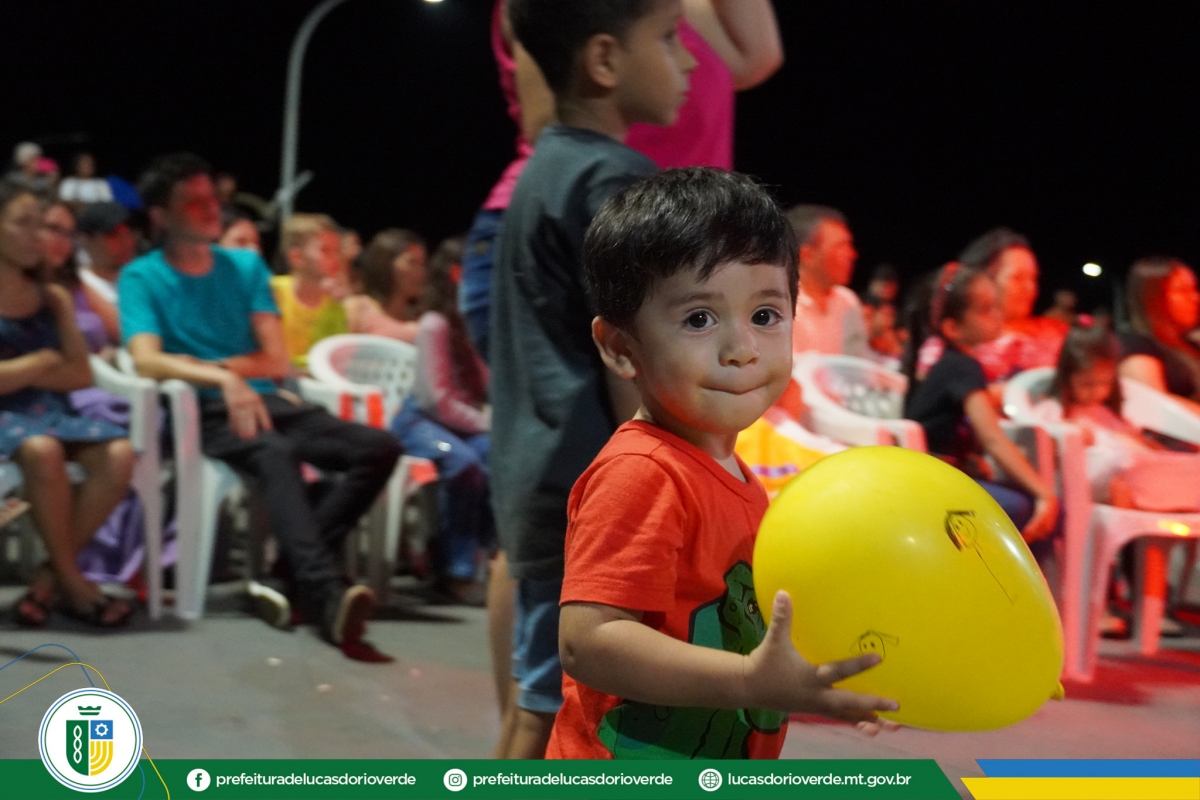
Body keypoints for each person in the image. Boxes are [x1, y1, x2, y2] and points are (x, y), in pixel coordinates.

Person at [547, 168, 899, 759]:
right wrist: (750, 682)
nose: (741, 350)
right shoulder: (644, 472)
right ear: (620, 347)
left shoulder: (738, 479)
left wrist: (818, 677)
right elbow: (589, 640)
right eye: (699, 319)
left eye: (765, 316)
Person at [491, 0, 697, 759]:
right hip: (588, 489)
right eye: (669, 39)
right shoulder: (614, 177)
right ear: (604, 60)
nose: (690, 60)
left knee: (537, 703)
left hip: (540, 472)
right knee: (549, 713)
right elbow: (633, 357)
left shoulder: (546, 166)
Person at [117, 153, 402, 655]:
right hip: (201, 411)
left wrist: (219, 368)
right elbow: (145, 359)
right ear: (161, 215)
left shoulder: (245, 266)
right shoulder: (142, 276)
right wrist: (222, 378)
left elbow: (274, 359)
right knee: (273, 453)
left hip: (268, 398)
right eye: (194, 202)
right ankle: (325, 594)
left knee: (378, 447)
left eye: (212, 198)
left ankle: (290, 570)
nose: (211, 208)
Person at [0, 180, 137, 628]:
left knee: (119, 454)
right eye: (22, 223)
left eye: (40, 226)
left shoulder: (52, 297)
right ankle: (76, 586)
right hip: (9, 420)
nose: (35, 236)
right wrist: (41, 361)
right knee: (43, 450)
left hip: (49, 411)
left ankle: (49, 578)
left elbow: (80, 374)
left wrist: (18, 373)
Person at [903, 263, 1059, 559]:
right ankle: (1013, 587)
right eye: (986, 310)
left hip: (932, 477)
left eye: (997, 305)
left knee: (1022, 502)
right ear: (953, 328)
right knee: (1027, 507)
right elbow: (993, 439)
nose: (999, 315)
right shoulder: (962, 366)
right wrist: (1044, 493)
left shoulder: (943, 361)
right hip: (931, 486)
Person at [390, 236, 493, 602]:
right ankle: (454, 570)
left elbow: (485, 384)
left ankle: (487, 560)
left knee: (501, 457)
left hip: (460, 421)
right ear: (457, 274)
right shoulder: (434, 324)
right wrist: (485, 423)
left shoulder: (473, 324)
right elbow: (435, 400)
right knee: (463, 464)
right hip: (419, 421)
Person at [957, 227, 1068, 381]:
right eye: (1018, 278)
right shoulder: (960, 342)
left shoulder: (1058, 333)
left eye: (1033, 278)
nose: (1030, 288)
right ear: (984, 281)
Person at [786, 204, 869, 358]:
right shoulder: (783, 303)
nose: (852, 254)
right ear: (808, 255)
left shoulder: (847, 302)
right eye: (841, 246)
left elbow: (859, 361)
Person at [1118, 257, 1200, 408]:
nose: (1195, 298)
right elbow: (1151, 406)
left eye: (1194, 289)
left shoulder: (1191, 344)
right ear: (1154, 297)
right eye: (1183, 291)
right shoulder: (1137, 345)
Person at [270, 214, 348, 370]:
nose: (335, 258)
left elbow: (336, 362)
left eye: (336, 250)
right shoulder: (273, 292)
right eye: (325, 250)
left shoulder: (335, 307)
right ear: (297, 257)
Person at [344, 228, 426, 343]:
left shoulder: (421, 319)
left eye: (422, 265)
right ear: (386, 263)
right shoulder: (358, 308)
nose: (421, 273)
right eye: (412, 262)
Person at [77, 202, 137, 346]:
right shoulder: (79, 283)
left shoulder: (139, 279)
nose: (125, 242)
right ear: (86, 240)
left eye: (128, 233)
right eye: (113, 235)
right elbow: (127, 333)